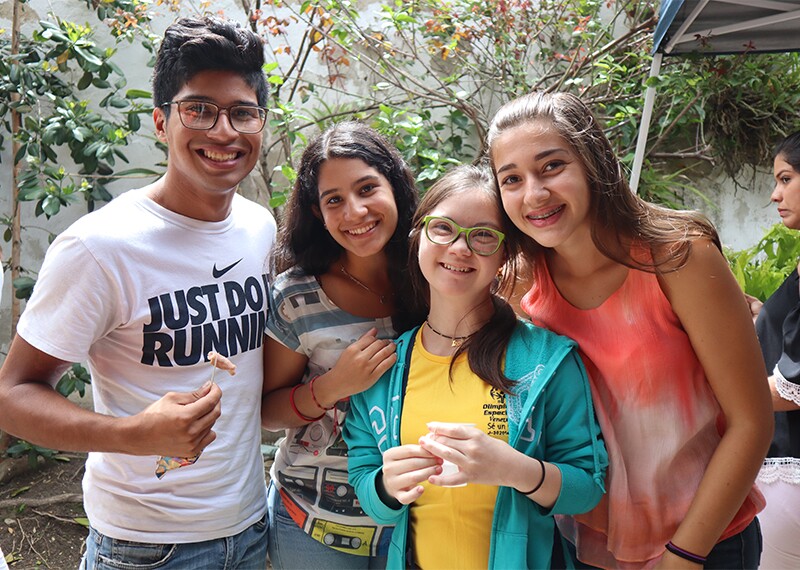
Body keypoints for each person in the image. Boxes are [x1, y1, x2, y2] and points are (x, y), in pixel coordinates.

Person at [0, 17, 275, 569]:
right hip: (145, 546)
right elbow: (12, 395)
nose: (224, 132)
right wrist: (132, 434)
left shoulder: (258, 226)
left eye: (242, 112)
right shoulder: (100, 247)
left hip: (250, 526)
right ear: (160, 120)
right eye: (199, 109)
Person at [487, 90, 772, 569]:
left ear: (594, 162)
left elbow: (752, 421)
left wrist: (684, 555)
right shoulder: (520, 284)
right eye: (511, 179)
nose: (533, 194)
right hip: (586, 545)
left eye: (552, 166)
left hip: (706, 541)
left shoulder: (678, 258)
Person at [342, 163, 608, 569]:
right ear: (418, 240)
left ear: (505, 255)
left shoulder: (547, 361)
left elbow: (588, 487)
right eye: (444, 229)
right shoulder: (383, 371)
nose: (460, 248)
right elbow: (367, 488)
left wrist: (516, 470)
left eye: (483, 235)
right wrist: (385, 486)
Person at [261, 121, 420, 569]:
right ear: (317, 212)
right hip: (314, 521)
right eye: (334, 200)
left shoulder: (436, 275)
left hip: (418, 519)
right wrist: (332, 387)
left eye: (367, 188)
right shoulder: (296, 297)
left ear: (395, 183)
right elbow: (267, 411)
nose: (355, 212)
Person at [753, 131, 800, 569]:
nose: (775, 194)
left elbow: (792, 390)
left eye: (785, 179)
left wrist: (709, 391)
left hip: (791, 477)